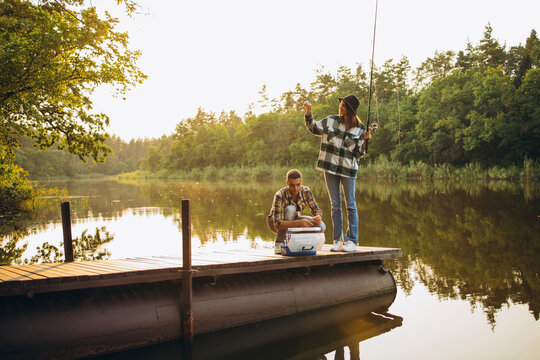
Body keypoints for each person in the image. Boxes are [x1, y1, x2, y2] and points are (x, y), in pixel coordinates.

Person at [303, 94, 370, 252]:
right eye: (341, 104)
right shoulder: (331, 120)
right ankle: (337, 240)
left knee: (351, 205)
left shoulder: (360, 128)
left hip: (348, 169)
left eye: (344, 105)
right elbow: (313, 127)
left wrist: (366, 141)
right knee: (335, 205)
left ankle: (352, 240)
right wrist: (308, 112)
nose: (341, 106)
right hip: (330, 168)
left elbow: (359, 154)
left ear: (351, 109)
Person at [267, 169, 326, 254]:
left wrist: (318, 216)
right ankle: (279, 243)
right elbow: (277, 224)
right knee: (290, 209)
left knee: (321, 226)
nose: (295, 189)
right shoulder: (279, 195)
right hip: (276, 222)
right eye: (292, 185)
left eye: (298, 185)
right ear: (287, 183)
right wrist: (298, 223)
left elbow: (316, 210)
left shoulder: (306, 191)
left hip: (295, 219)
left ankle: (299, 243)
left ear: (301, 182)